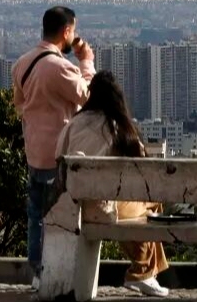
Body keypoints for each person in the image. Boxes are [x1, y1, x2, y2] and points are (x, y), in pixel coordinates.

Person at [56, 71, 170, 298]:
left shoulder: (74, 123)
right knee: (151, 204)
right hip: (103, 209)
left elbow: (58, 157)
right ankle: (142, 272)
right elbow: (142, 163)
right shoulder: (117, 127)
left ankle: (146, 272)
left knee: (144, 207)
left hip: (71, 207)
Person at [12, 6, 95, 289]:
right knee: (60, 219)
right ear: (66, 31)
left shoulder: (22, 64)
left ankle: (38, 272)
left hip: (34, 152)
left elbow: (20, 104)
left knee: (35, 217)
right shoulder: (60, 68)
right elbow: (88, 96)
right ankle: (58, 274)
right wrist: (86, 62)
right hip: (58, 155)